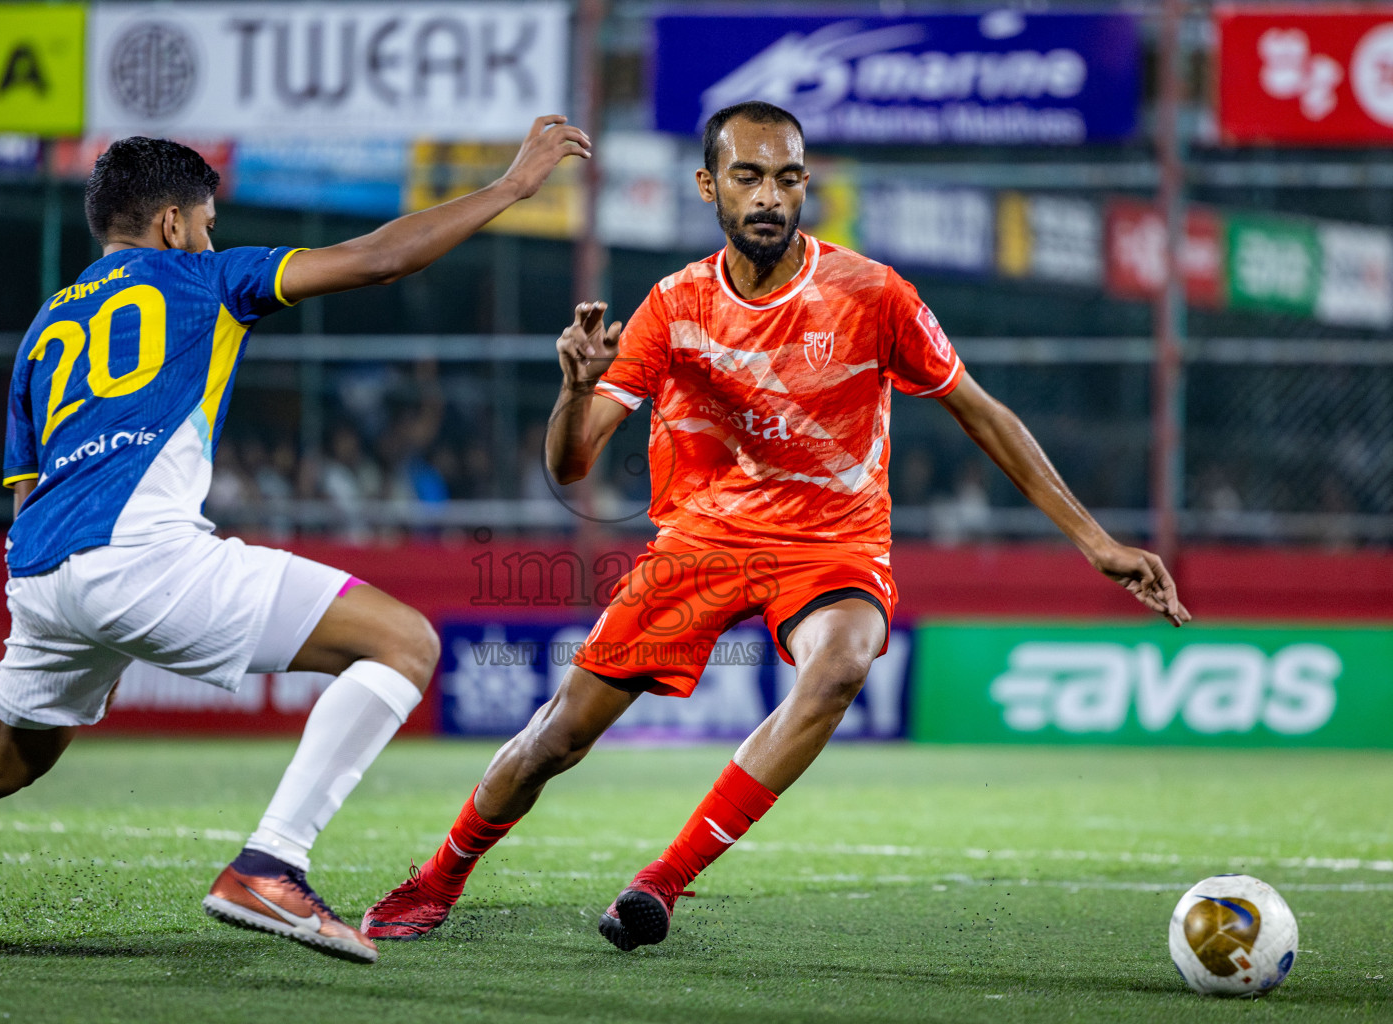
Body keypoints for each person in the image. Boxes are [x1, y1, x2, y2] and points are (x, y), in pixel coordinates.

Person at [361, 101, 1190, 952]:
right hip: (700, 544)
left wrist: (1098, 541)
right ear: (707, 185)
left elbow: (982, 415)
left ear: (805, 187)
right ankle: (439, 877)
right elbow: (570, 467)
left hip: (834, 545)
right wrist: (575, 388)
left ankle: (662, 881)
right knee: (558, 738)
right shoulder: (674, 305)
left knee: (841, 666)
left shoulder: (873, 295)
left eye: (787, 178)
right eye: (748, 176)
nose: (769, 196)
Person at [0, 115, 590, 964]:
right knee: (402, 643)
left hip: (41, 569)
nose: (214, 238)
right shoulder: (203, 279)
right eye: (208, 223)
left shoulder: (40, 332)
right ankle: (272, 863)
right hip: (141, 553)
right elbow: (386, 257)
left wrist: (77, 600)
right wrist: (509, 188)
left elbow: (26, 492)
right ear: (173, 224)